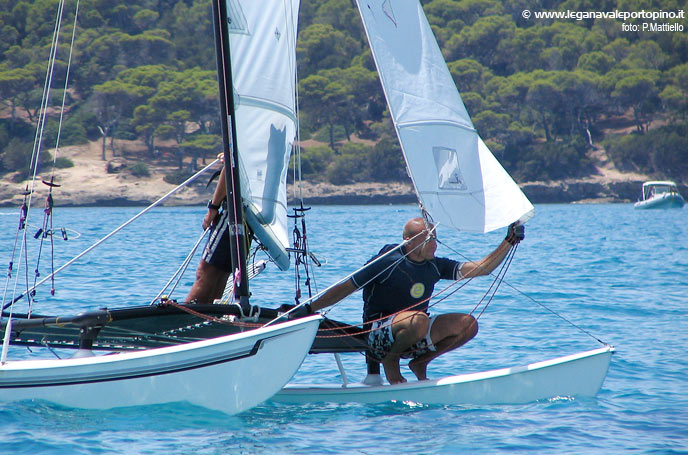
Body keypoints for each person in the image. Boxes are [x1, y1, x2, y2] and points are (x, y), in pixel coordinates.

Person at [305, 217, 525, 385]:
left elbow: (482, 269)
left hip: (412, 333)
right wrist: (309, 308)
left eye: (436, 238)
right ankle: (391, 361)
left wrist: (509, 241)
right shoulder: (386, 261)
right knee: (418, 320)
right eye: (429, 239)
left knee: (468, 324)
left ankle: (420, 362)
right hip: (376, 336)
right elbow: (345, 287)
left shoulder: (434, 265)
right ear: (409, 242)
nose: (435, 244)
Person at [184, 157, 232, 304]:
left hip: (233, 213)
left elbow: (231, 166)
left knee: (206, 271)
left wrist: (213, 209)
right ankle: (210, 316)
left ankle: (186, 317)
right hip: (250, 214)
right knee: (220, 271)